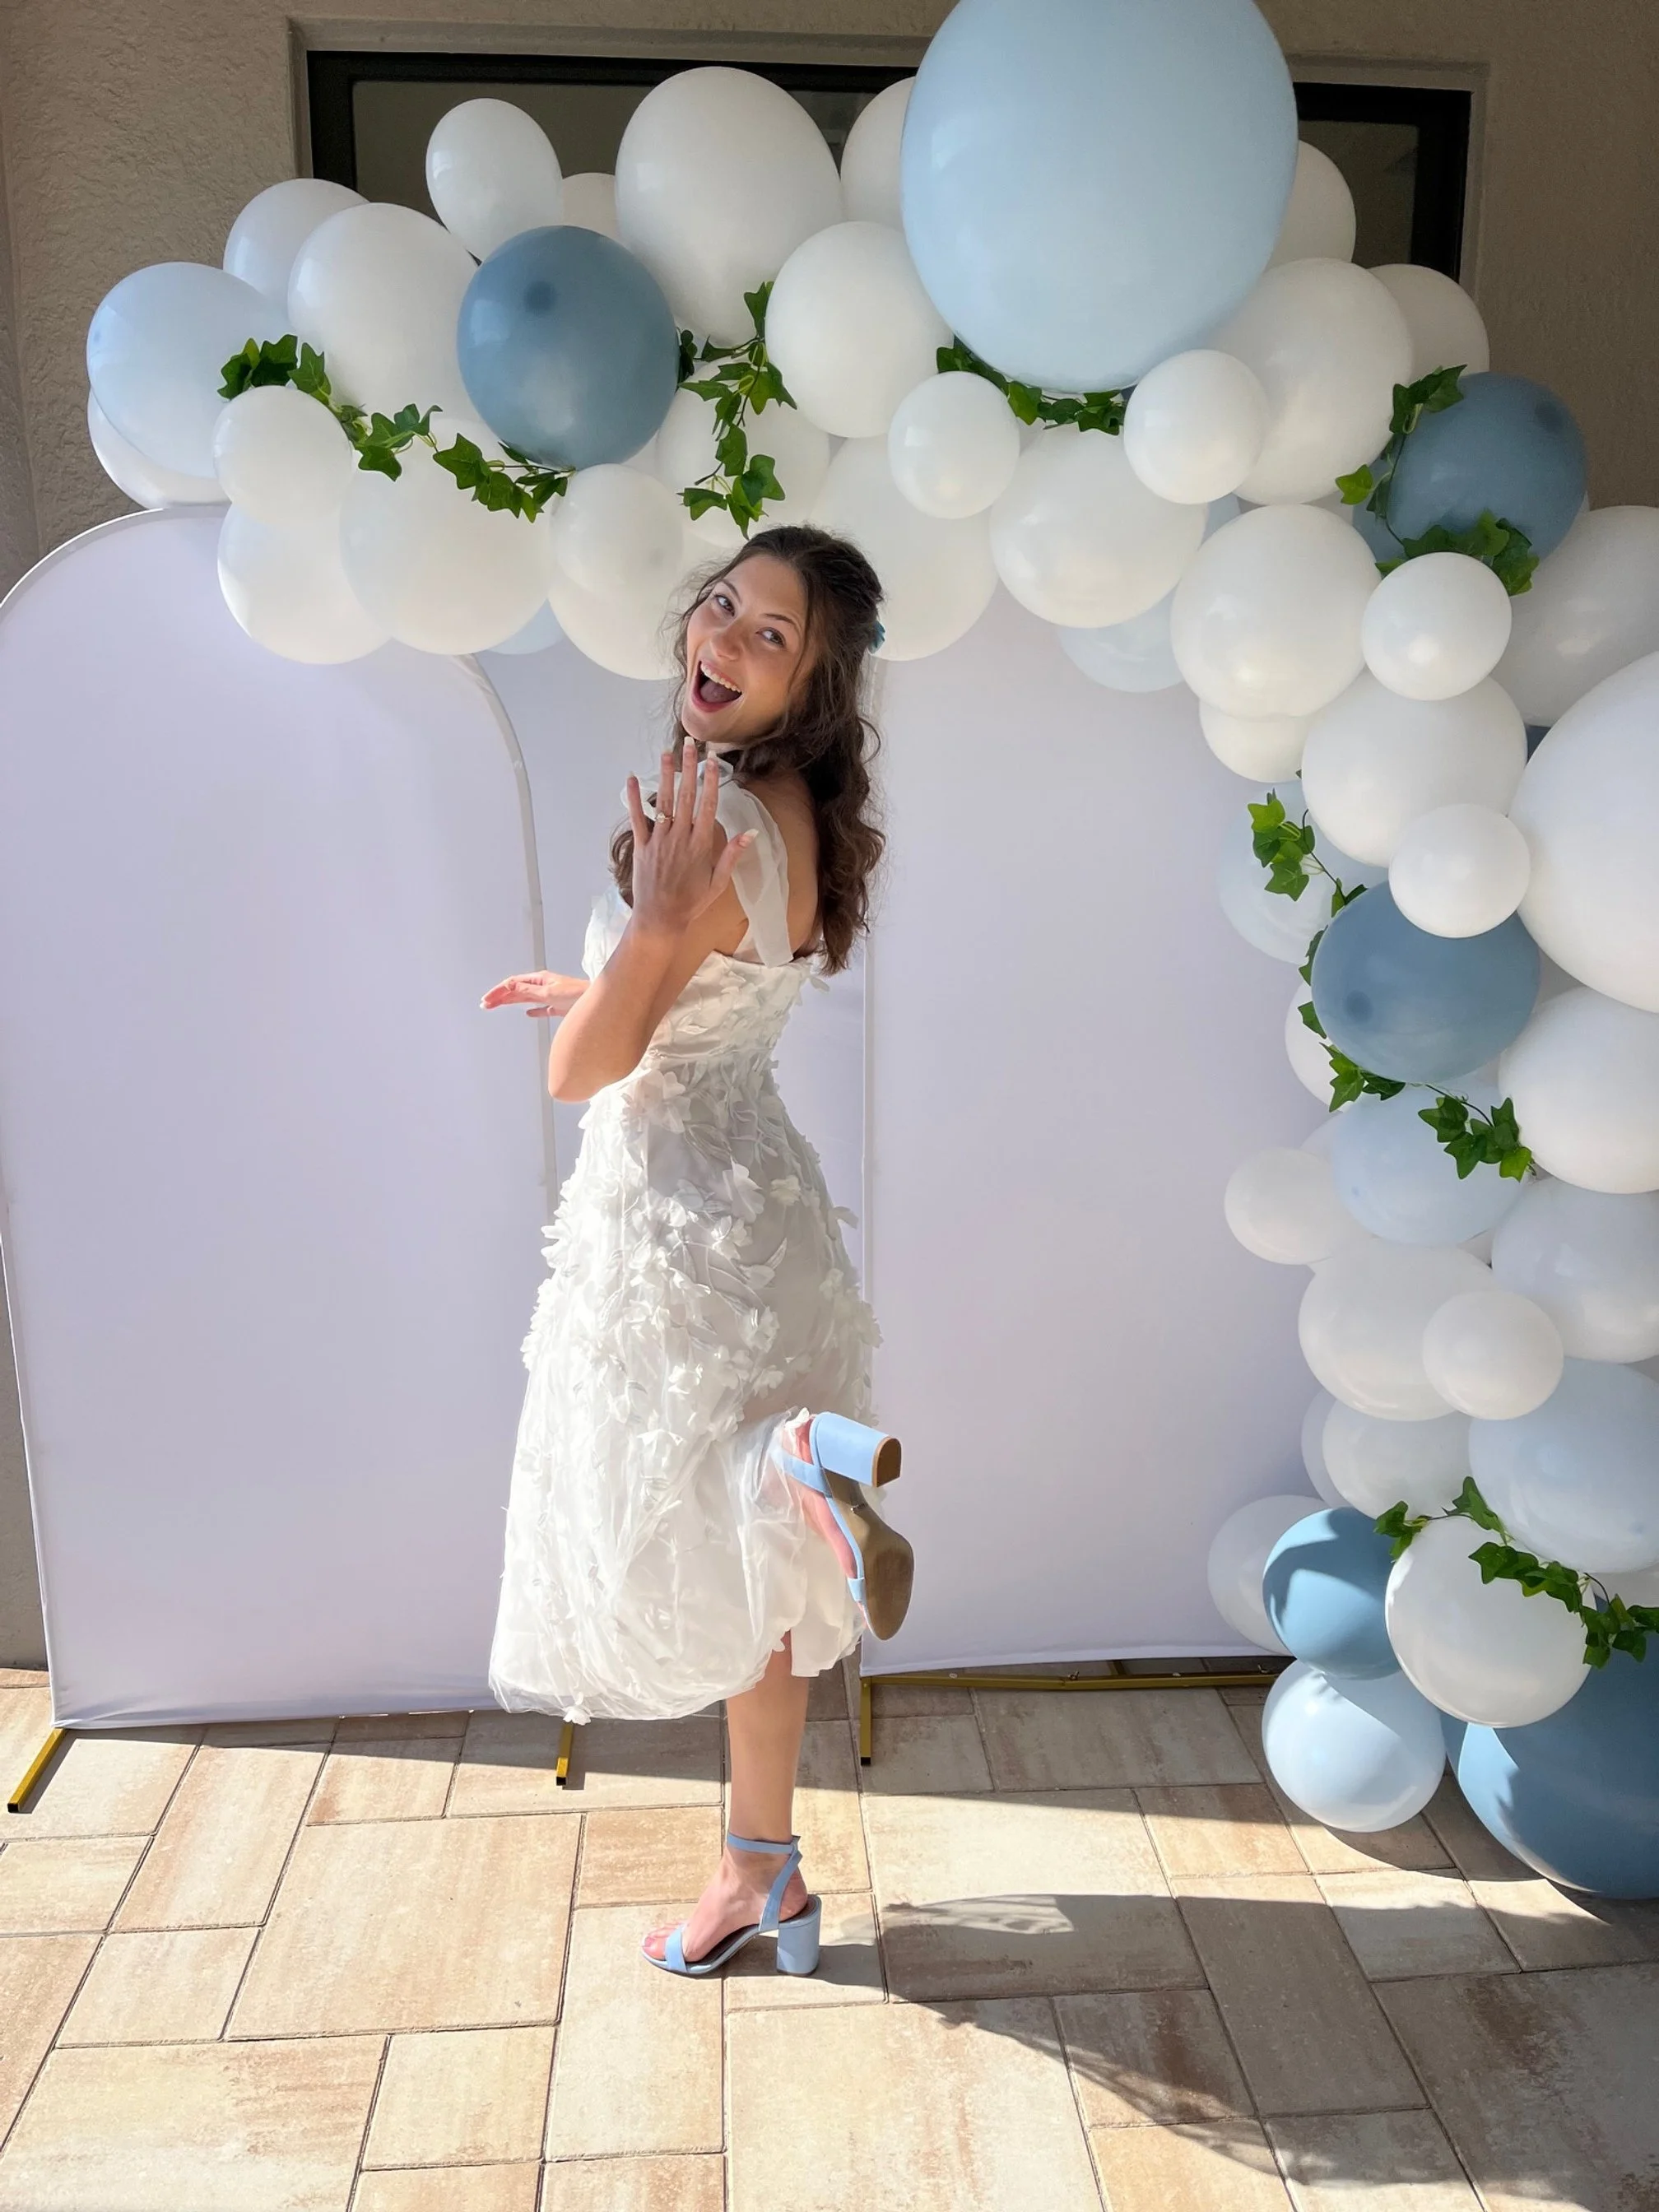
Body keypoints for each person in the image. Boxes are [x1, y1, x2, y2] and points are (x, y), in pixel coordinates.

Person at [480, 523, 913, 1980]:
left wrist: (646, 943)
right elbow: (703, 993)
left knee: (681, 1525)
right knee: (766, 1593)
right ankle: (760, 1872)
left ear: (813, 685)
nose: (720, 639)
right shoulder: (794, 810)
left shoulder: (717, 815)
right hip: (770, 1217)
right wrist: (616, 973)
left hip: (673, 1223)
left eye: (769, 634)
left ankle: (788, 1463)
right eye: (721, 606)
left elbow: (584, 1077)